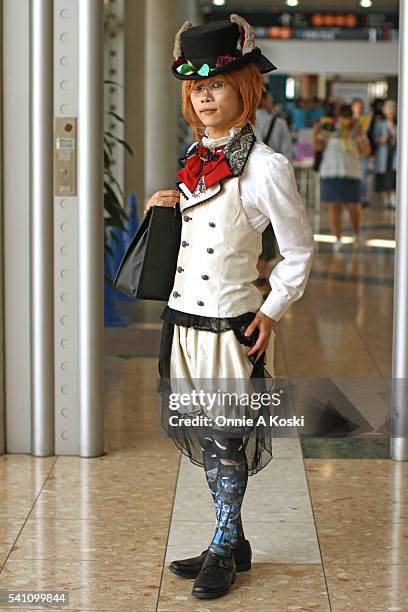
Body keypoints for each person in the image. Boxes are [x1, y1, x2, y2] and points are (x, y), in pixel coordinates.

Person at [144, 15, 315, 600]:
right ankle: (233, 540)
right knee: (207, 432)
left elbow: (297, 251)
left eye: (215, 85)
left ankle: (221, 545)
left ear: (245, 87)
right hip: (184, 319)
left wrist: (273, 310)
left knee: (223, 439)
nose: (204, 97)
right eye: (196, 89)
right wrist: (163, 208)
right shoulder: (194, 156)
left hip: (227, 325)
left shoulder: (267, 166)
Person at [313, 103, 370, 252]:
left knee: (354, 206)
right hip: (331, 171)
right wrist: (316, 132)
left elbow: (366, 150)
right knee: (334, 206)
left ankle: (356, 233)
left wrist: (360, 136)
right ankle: (337, 238)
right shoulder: (329, 128)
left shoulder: (356, 129)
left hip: (351, 171)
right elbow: (317, 146)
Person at [255, 83, 294, 298]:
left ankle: (251, 277)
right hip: (269, 185)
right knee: (267, 230)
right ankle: (262, 277)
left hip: (243, 186)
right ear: (266, 100)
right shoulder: (277, 123)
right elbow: (287, 153)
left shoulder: (241, 121)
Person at [373, 99, 397, 209]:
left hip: (394, 154)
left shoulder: (399, 124)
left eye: (392, 111)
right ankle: (386, 198)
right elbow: (375, 139)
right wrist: (382, 139)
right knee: (383, 177)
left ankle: (393, 198)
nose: (390, 113)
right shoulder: (379, 124)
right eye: (388, 111)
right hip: (383, 153)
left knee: (393, 176)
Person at [351, 97, 371, 208]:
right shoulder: (349, 121)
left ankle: (362, 197)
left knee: (362, 175)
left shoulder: (365, 120)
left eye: (360, 106)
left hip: (363, 150)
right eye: (356, 106)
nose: (358, 109)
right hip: (352, 151)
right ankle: (354, 196)